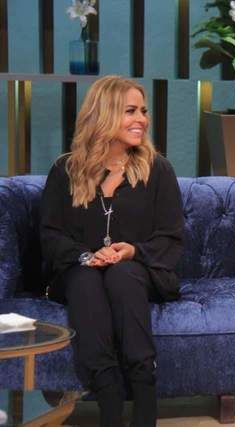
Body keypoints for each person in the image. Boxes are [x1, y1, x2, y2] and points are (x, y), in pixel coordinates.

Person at [40, 75, 184, 427]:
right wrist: (86, 256)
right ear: (103, 114)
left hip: (138, 271)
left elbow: (171, 237)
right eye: (130, 111)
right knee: (85, 280)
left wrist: (132, 251)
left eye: (143, 111)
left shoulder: (158, 170)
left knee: (122, 275)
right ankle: (109, 397)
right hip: (80, 271)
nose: (142, 120)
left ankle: (145, 399)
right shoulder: (66, 170)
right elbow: (51, 234)